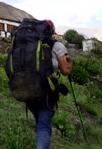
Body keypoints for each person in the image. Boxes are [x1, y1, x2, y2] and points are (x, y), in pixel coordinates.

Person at [27, 20, 73, 149]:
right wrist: (70, 63)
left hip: (28, 90)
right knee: (43, 128)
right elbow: (65, 71)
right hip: (46, 93)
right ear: (52, 31)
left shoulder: (31, 46)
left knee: (40, 124)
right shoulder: (57, 46)